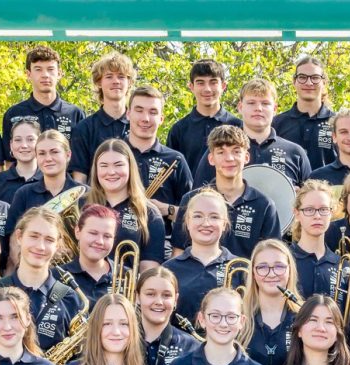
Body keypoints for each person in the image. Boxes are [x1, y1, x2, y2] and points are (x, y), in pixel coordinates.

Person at [0, 207, 84, 351]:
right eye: (34, 236)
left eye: (49, 240)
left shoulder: (71, 299)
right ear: (19, 236)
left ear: (57, 245)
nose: (40, 246)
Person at [170, 125, 279, 259]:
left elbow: (272, 256)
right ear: (211, 159)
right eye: (221, 152)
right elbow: (178, 252)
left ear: (246, 157)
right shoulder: (191, 200)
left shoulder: (264, 205)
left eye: (236, 151)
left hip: (245, 272)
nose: (229, 158)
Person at [192, 79, 312, 188]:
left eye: (265, 103)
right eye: (251, 103)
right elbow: (198, 195)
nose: (258, 108)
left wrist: (300, 195)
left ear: (275, 109)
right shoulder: (220, 150)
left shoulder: (295, 153)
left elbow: (311, 199)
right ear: (240, 107)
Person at [3, 130, 84, 271]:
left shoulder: (85, 194)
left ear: (68, 155)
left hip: (76, 273)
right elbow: (14, 240)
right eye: (41, 153)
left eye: (54, 152)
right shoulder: (24, 193)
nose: (48, 158)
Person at [84, 139, 166, 267]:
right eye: (104, 165)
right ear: (96, 169)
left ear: (130, 168)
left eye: (118, 165)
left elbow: (149, 269)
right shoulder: (81, 204)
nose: (111, 172)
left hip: (125, 280)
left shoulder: (149, 213)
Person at [125, 86, 193, 232]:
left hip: (163, 242)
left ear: (161, 119)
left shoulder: (175, 160)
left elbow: (193, 215)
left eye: (153, 112)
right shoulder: (111, 154)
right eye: (139, 110)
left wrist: (167, 209)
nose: (145, 118)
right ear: (128, 114)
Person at [163, 190, 238, 321]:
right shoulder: (168, 269)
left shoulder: (240, 268)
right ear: (187, 221)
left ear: (224, 224)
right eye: (198, 216)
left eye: (214, 217)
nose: (206, 223)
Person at [1, 45, 85, 150]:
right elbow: (8, 157)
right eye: (38, 69)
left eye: (50, 69)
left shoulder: (75, 114)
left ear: (59, 73)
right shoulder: (14, 114)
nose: (45, 75)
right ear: (28, 74)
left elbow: (82, 156)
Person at [70, 52, 135, 182]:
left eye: (121, 76)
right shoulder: (84, 129)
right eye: (109, 77)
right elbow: (79, 180)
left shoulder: (138, 124)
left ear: (129, 82)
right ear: (99, 82)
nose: (116, 81)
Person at [167, 59, 242, 172]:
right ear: (191, 87)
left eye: (213, 82)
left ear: (223, 86)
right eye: (200, 83)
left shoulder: (238, 126)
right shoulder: (179, 130)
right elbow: (172, 174)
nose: (207, 89)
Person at [273, 55, 336, 170]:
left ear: (324, 82)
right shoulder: (276, 123)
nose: (309, 83)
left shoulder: (337, 122)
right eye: (302, 77)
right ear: (294, 82)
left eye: (315, 77)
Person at [289, 181, 342, 298]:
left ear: (331, 213)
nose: (317, 216)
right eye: (309, 209)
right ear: (297, 213)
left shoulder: (342, 266)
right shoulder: (284, 260)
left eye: (323, 209)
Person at [61, 205, 117, 304]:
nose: (100, 241)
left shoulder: (126, 276)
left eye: (107, 236)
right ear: (77, 232)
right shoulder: (56, 276)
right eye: (93, 233)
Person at [0, 119, 42, 203]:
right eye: (18, 140)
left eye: (30, 139)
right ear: (11, 145)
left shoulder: (49, 178)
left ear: (39, 143)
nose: (24, 145)